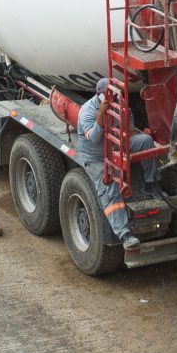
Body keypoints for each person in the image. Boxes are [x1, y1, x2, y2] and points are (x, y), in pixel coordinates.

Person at [73, 77, 143, 250]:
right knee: (109, 188)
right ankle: (125, 236)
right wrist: (101, 117)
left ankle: (151, 184)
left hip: (117, 146)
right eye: (110, 97)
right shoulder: (87, 112)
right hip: (96, 158)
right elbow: (95, 138)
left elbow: (128, 112)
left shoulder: (119, 100)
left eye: (115, 97)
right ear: (100, 96)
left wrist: (131, 127)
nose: (115, 100)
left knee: (146, 142)